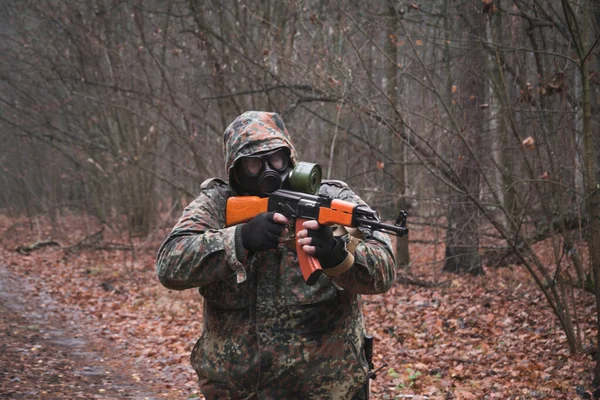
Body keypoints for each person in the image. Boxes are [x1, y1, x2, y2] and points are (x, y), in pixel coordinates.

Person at [156, 111, 396, 399]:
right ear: (236, 168)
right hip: (239, 392)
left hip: (329, 389)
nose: (269, 170)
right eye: (255, 163)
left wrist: (338, 256)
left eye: (277, 159)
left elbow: (384, 269)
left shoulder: (331, 198)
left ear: (290, 158)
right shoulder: (217, 206)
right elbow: (170, 263)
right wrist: (239, 240)